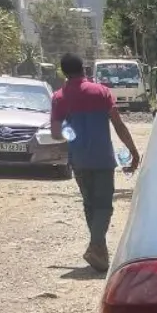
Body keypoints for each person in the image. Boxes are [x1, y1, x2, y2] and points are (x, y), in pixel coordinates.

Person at [49, 52, 141, 272]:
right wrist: (133, 151)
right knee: (104, 206)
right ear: (84, 69)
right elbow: (118, 125)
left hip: (79, 161)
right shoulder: (101, 92)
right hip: (102, 159)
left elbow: (55, 133)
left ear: (63, 72)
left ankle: (99, 250)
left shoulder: (59, 97)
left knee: (90, 205)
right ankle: (96, 246)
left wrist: (74, 136)